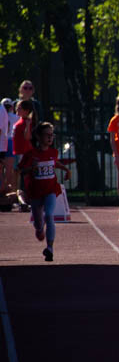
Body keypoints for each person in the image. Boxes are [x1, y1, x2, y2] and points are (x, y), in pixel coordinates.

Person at [19, 122, 69, 261]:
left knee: (49, 215)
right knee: (38, 223)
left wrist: (66, 170)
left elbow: (55, 162)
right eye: (47, 135)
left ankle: (50, 249)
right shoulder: (31, 154)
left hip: (50, 190)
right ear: (38, 137)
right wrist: (31, 169)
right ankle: (40, 229)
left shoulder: (54, 152)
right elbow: (21, 170)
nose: (50, 138)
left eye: (52, 135)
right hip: (35, 192)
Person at [12, 98, 36, 209]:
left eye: (20, 108)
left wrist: (27, 126)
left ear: (26, 111)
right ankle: (21, 200)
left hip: (23, 153)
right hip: (17, 152)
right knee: (18, 177)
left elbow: (28, 137)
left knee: (23, 177)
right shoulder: (19, 121)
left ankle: (24, 201)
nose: (17, 109)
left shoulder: (26, 121)